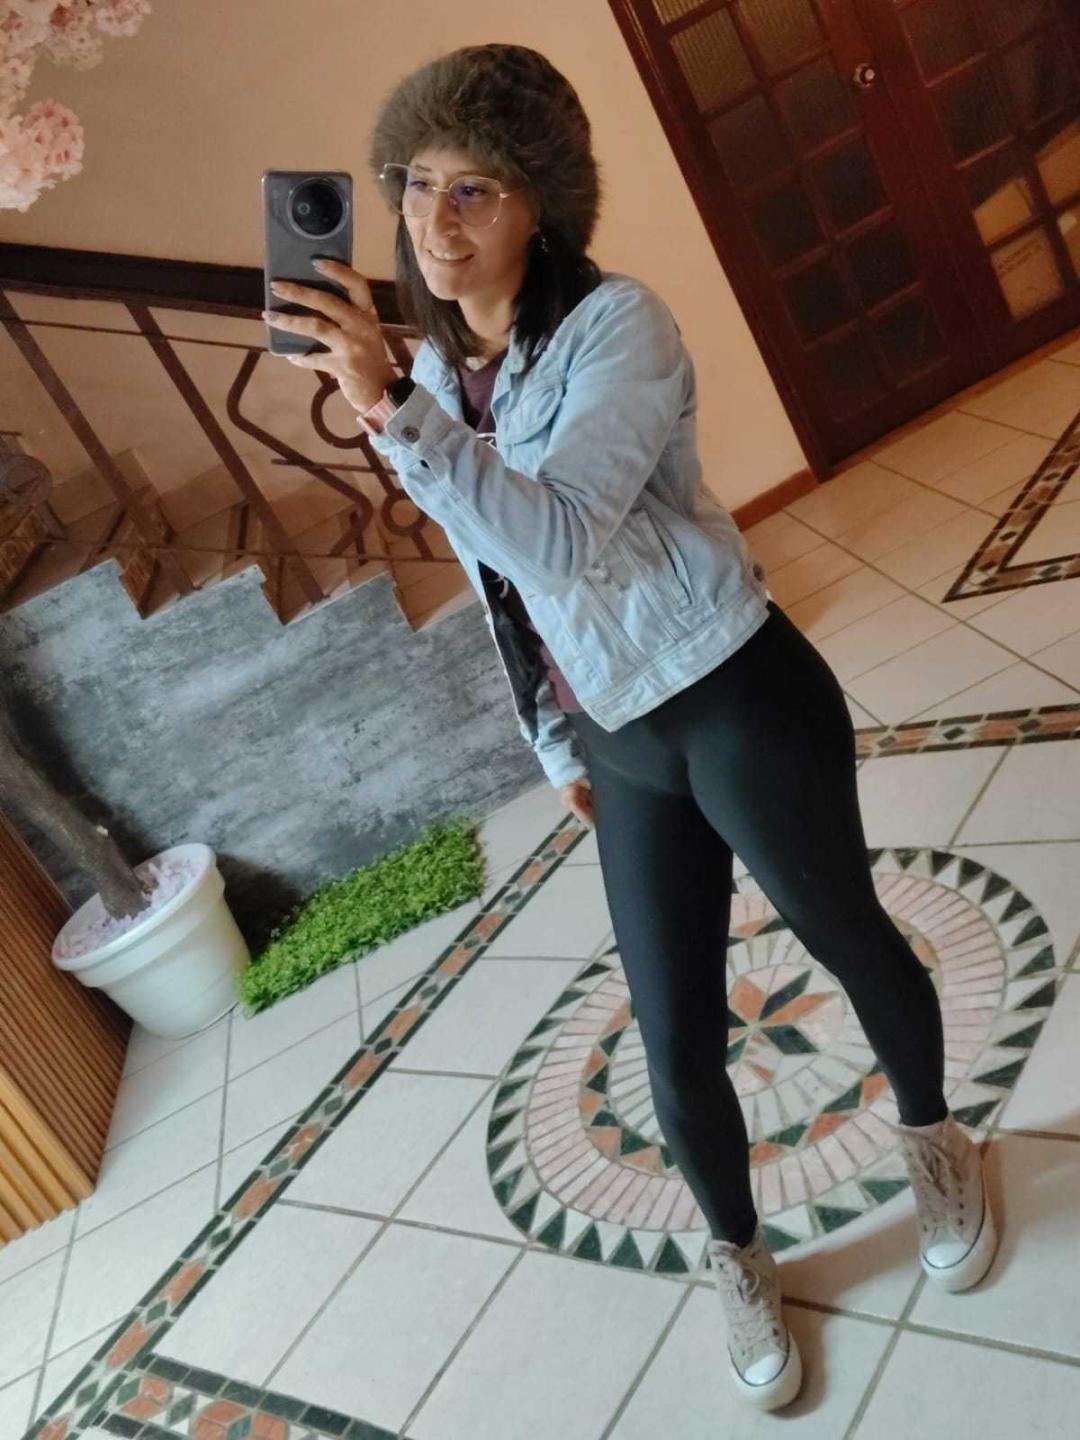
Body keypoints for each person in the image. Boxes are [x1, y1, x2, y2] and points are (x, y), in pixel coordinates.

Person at [265, 42, 998, 1414]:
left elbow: (552, 538)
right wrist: (557, 742)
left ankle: (934, 1140)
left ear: (540, 201)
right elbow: (500, 588)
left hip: (733, 692)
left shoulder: (622, 329)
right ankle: (737, 1255)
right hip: (617, 733)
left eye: (474, 189)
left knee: (846, 935)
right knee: (671, 1033)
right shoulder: (439, 372)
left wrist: (394, 411)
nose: (433, 223)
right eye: (415, 185)